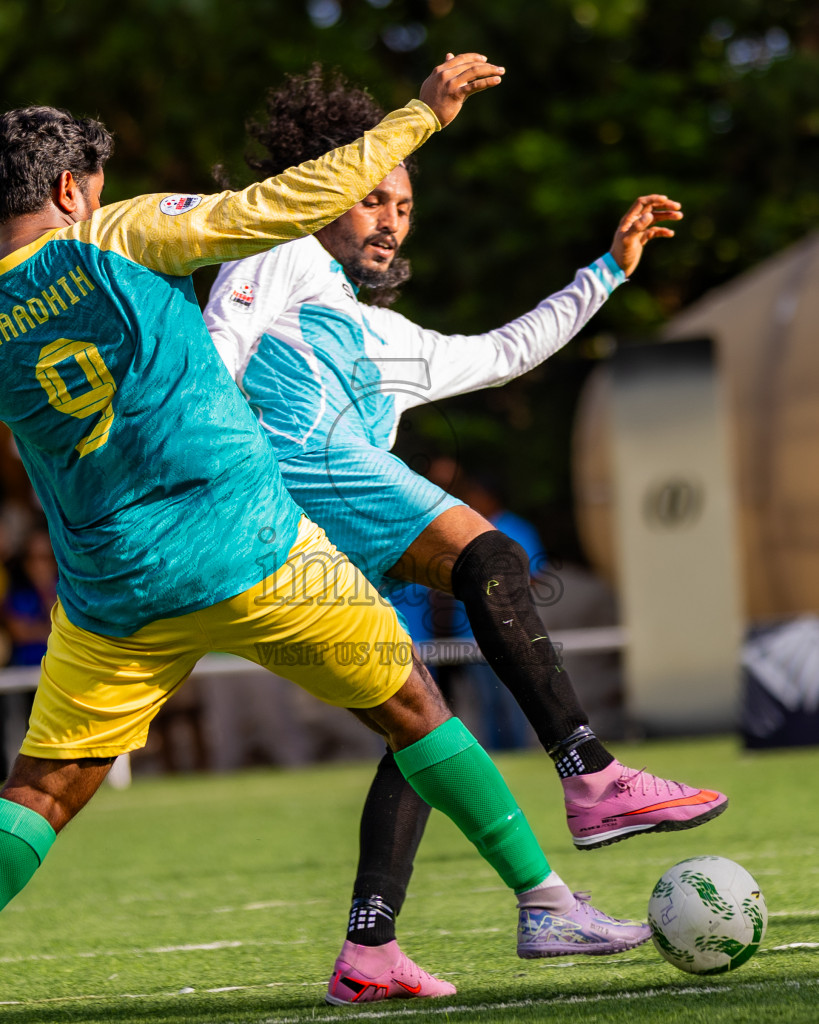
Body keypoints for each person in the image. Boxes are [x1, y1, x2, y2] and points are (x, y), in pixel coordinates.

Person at [0, 59, 651, 1009]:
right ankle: (546, 902)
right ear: (69, 190)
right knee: (416, 710)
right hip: (250, 545)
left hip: (109, 591)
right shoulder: (114, 234)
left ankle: (389, 942)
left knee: (42, 794)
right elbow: (273, 207)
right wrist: (417, 117)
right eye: (92, 193)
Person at [203, 65, 729, 1004]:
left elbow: (503, 353)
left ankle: (377, 949)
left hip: (306, 555)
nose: (389, 218)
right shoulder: (278, 253)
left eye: (402, 204)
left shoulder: (392, 340)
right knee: (490, 554)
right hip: (270, 501)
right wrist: (209, 471)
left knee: (419, 723)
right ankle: (591, 773)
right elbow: (215, 353)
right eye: (370, 195)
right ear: (324, 191)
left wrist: (605, 271)